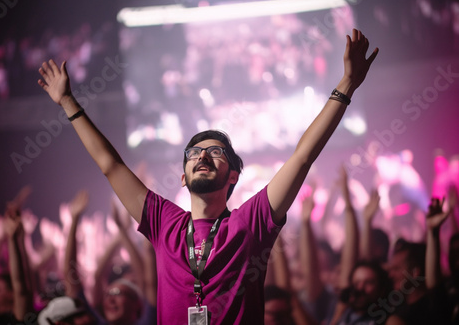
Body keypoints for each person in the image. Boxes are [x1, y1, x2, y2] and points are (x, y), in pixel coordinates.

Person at [38, 28, 378, 324]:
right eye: (194, 153)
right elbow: (110, 165)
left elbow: (302, 157)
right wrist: (68, 103)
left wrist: (346, 84)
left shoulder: (250, 223)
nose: (202, 155)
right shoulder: (163, 221)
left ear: (233, 177)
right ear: (183, 178)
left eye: (216, 153)